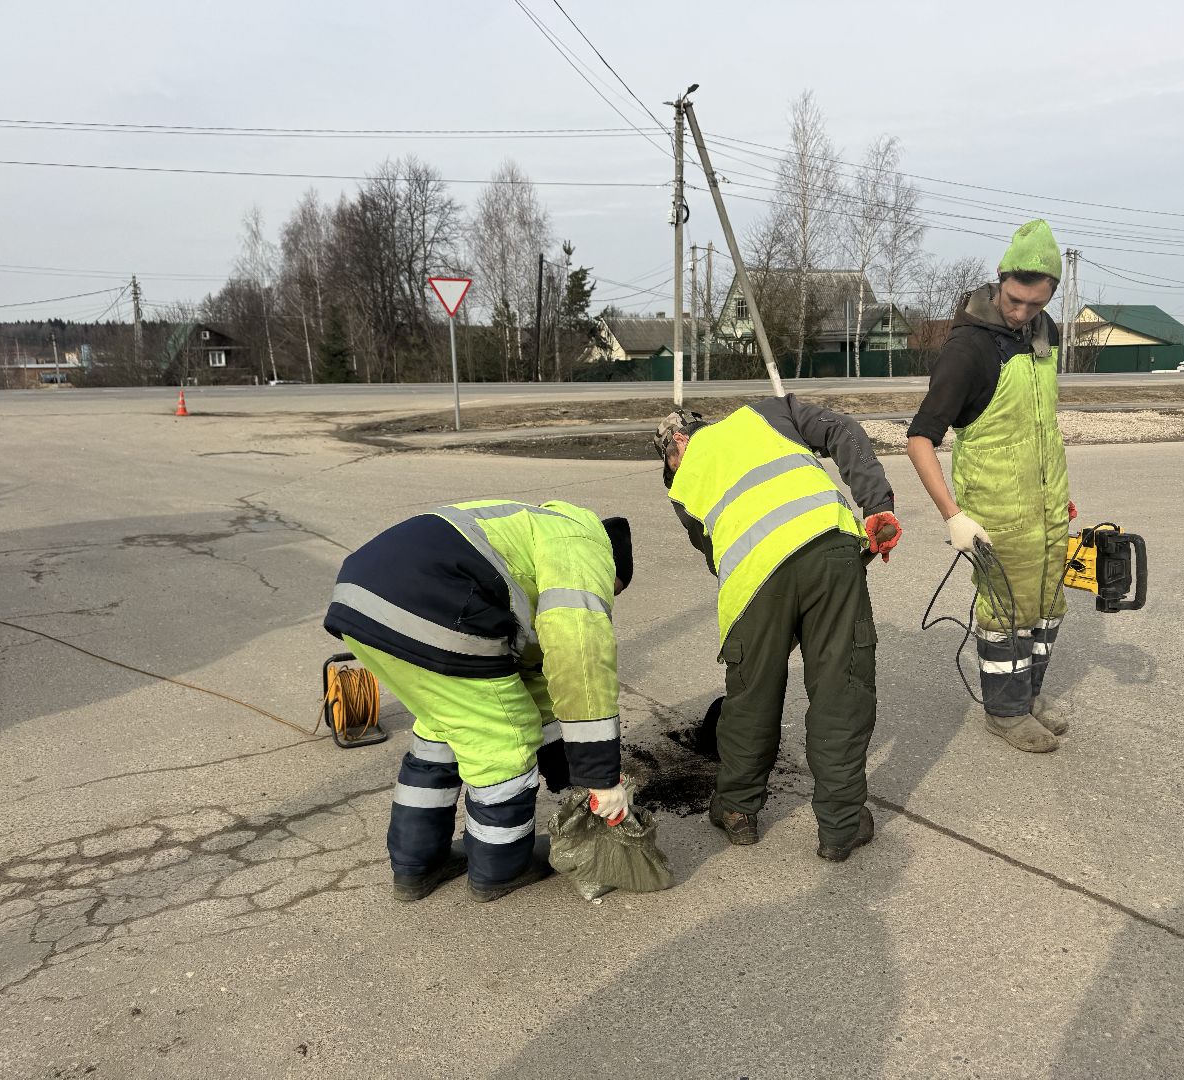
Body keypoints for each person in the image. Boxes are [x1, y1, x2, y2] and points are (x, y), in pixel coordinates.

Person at [323, 498, 632, 903]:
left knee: (445, 727)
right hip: (431, 606)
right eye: (613, 590)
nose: (607, 597)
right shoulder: (584, 546)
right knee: (505, 739)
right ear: (611, 567)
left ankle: (417, 866)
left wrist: (573, 774)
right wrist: (602, 777)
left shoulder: (533, 533)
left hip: (362, 599)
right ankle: (501, 867)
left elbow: (538, 682)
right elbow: (580, 658)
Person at [654, 396, 902, 862]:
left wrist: (774, 619)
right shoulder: (766, 415)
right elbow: (842, 430)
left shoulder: (682, 486)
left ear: (678, 442)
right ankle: (841, 825)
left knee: (752, 695)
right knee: (841, 689)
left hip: (755, 582)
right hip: (831, 550)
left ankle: (737, 811)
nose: (674, 465)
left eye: (670, 458)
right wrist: (876, 506)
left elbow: (716, 557)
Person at [905, 219, 1072, 753]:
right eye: (1013, 299)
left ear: (1051, 295)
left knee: (1047, 608)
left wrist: (1055, 492)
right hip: (993, 515)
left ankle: (1028, 697)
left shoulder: (1044, 339)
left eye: (1034, 304)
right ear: (999, 281)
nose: (1020, 312)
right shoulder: (969, 349)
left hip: (1045, 510)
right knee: (1005, 616)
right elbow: (919, 438)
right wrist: (952, 514)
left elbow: (1040, 426)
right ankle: (1004, 713)